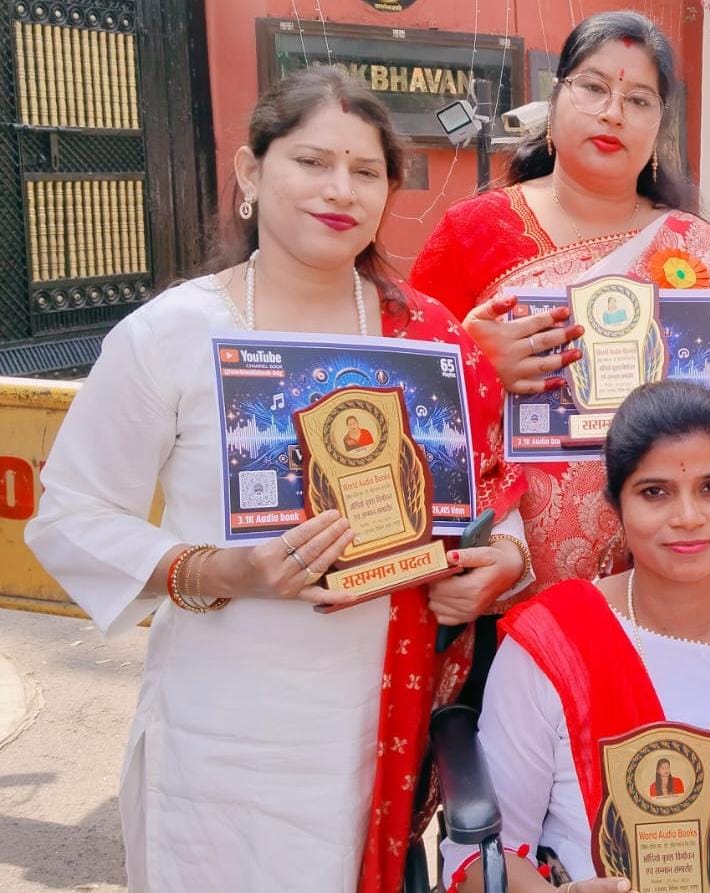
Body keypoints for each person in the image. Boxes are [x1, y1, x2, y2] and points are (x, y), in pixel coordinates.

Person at [25, 66, 527, 893]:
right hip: (220, 734)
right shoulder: (174, 333)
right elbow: (72, 514)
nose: (341, 190)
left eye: (366, 171)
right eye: (312, 162)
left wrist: (500, 560)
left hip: (374, 726)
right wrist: (220, 570)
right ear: (251, 172)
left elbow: (492, 486)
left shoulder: (426, 336)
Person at [440, 382, 710, 890]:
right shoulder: (554, 641)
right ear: (616, 505)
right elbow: (481, 863)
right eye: (654, 492)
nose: (688, 518)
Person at [410, 11, 710, 598]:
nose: (613, 113)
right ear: (555, 98)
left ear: (659, 123)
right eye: (593, 87)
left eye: (638, 100)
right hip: (507, 576)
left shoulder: (707, 254)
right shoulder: (476, 231)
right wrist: (475, 364)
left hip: (674, 572)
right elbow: (405, 396)